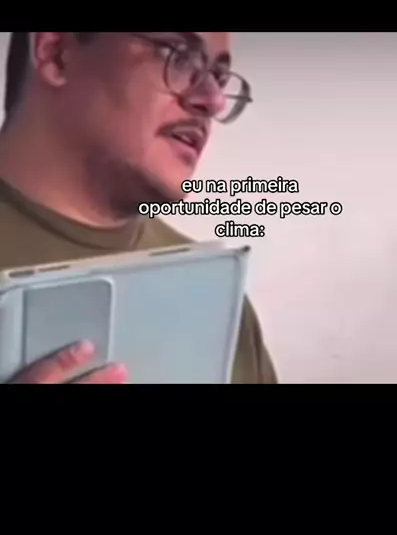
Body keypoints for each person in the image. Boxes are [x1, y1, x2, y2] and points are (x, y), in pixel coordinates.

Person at [0, 32, 277, 385]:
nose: (213, 100)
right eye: (179, 55)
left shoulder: (218, 299)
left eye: (219, 77)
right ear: (59, 53)